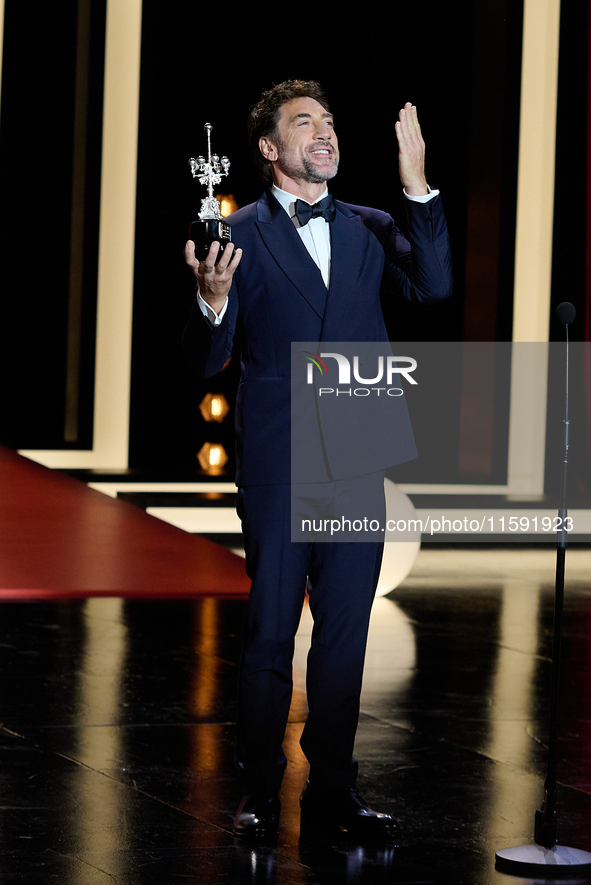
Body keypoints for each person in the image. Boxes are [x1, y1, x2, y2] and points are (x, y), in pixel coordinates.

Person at [183, 79, 453, 839]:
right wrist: (209, 302)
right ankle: (260, 791)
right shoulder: (235, 232)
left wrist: (416, 185)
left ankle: (334, 788)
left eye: (329, 122)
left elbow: (434, 287)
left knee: (343, 632)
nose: (324, 133)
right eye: (305, 123)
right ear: (269, 147)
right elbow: (208, 360)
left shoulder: (370, 224)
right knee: (270, 630)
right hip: (279, 456)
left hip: (358, 453)